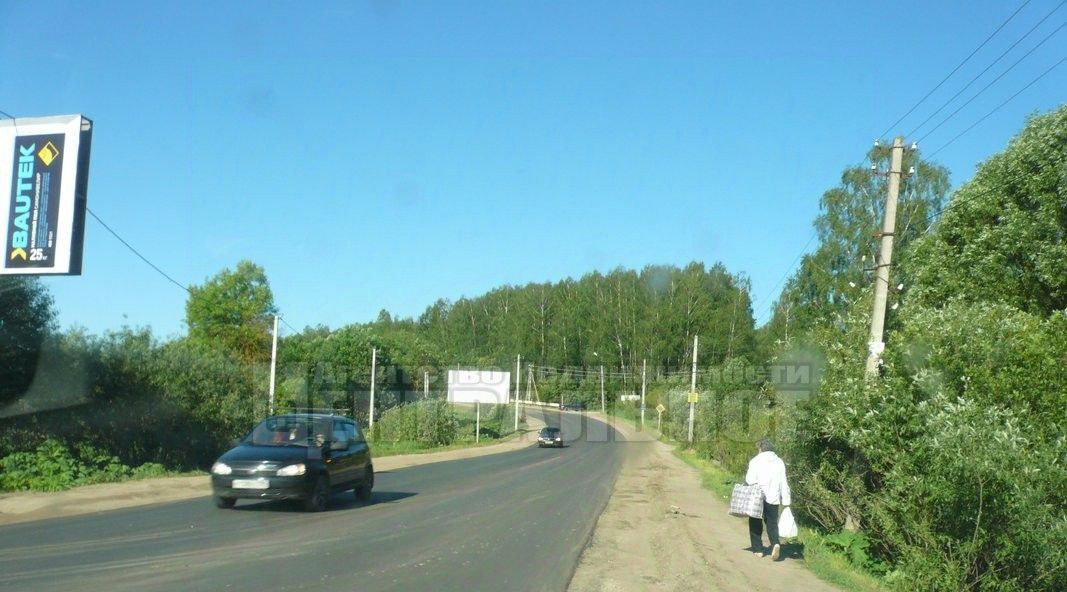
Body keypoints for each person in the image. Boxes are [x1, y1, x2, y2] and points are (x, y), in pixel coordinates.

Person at [745, 437, 792, 560]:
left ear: (760, 448)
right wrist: (786, 501)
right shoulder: (779, 462)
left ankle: (758, 549)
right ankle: (775, 543)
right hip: (773, 497)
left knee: (755, 521)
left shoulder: (755, 461)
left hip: (757, 497)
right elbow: (783, 482)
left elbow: (750, 480)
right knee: (772, 523)